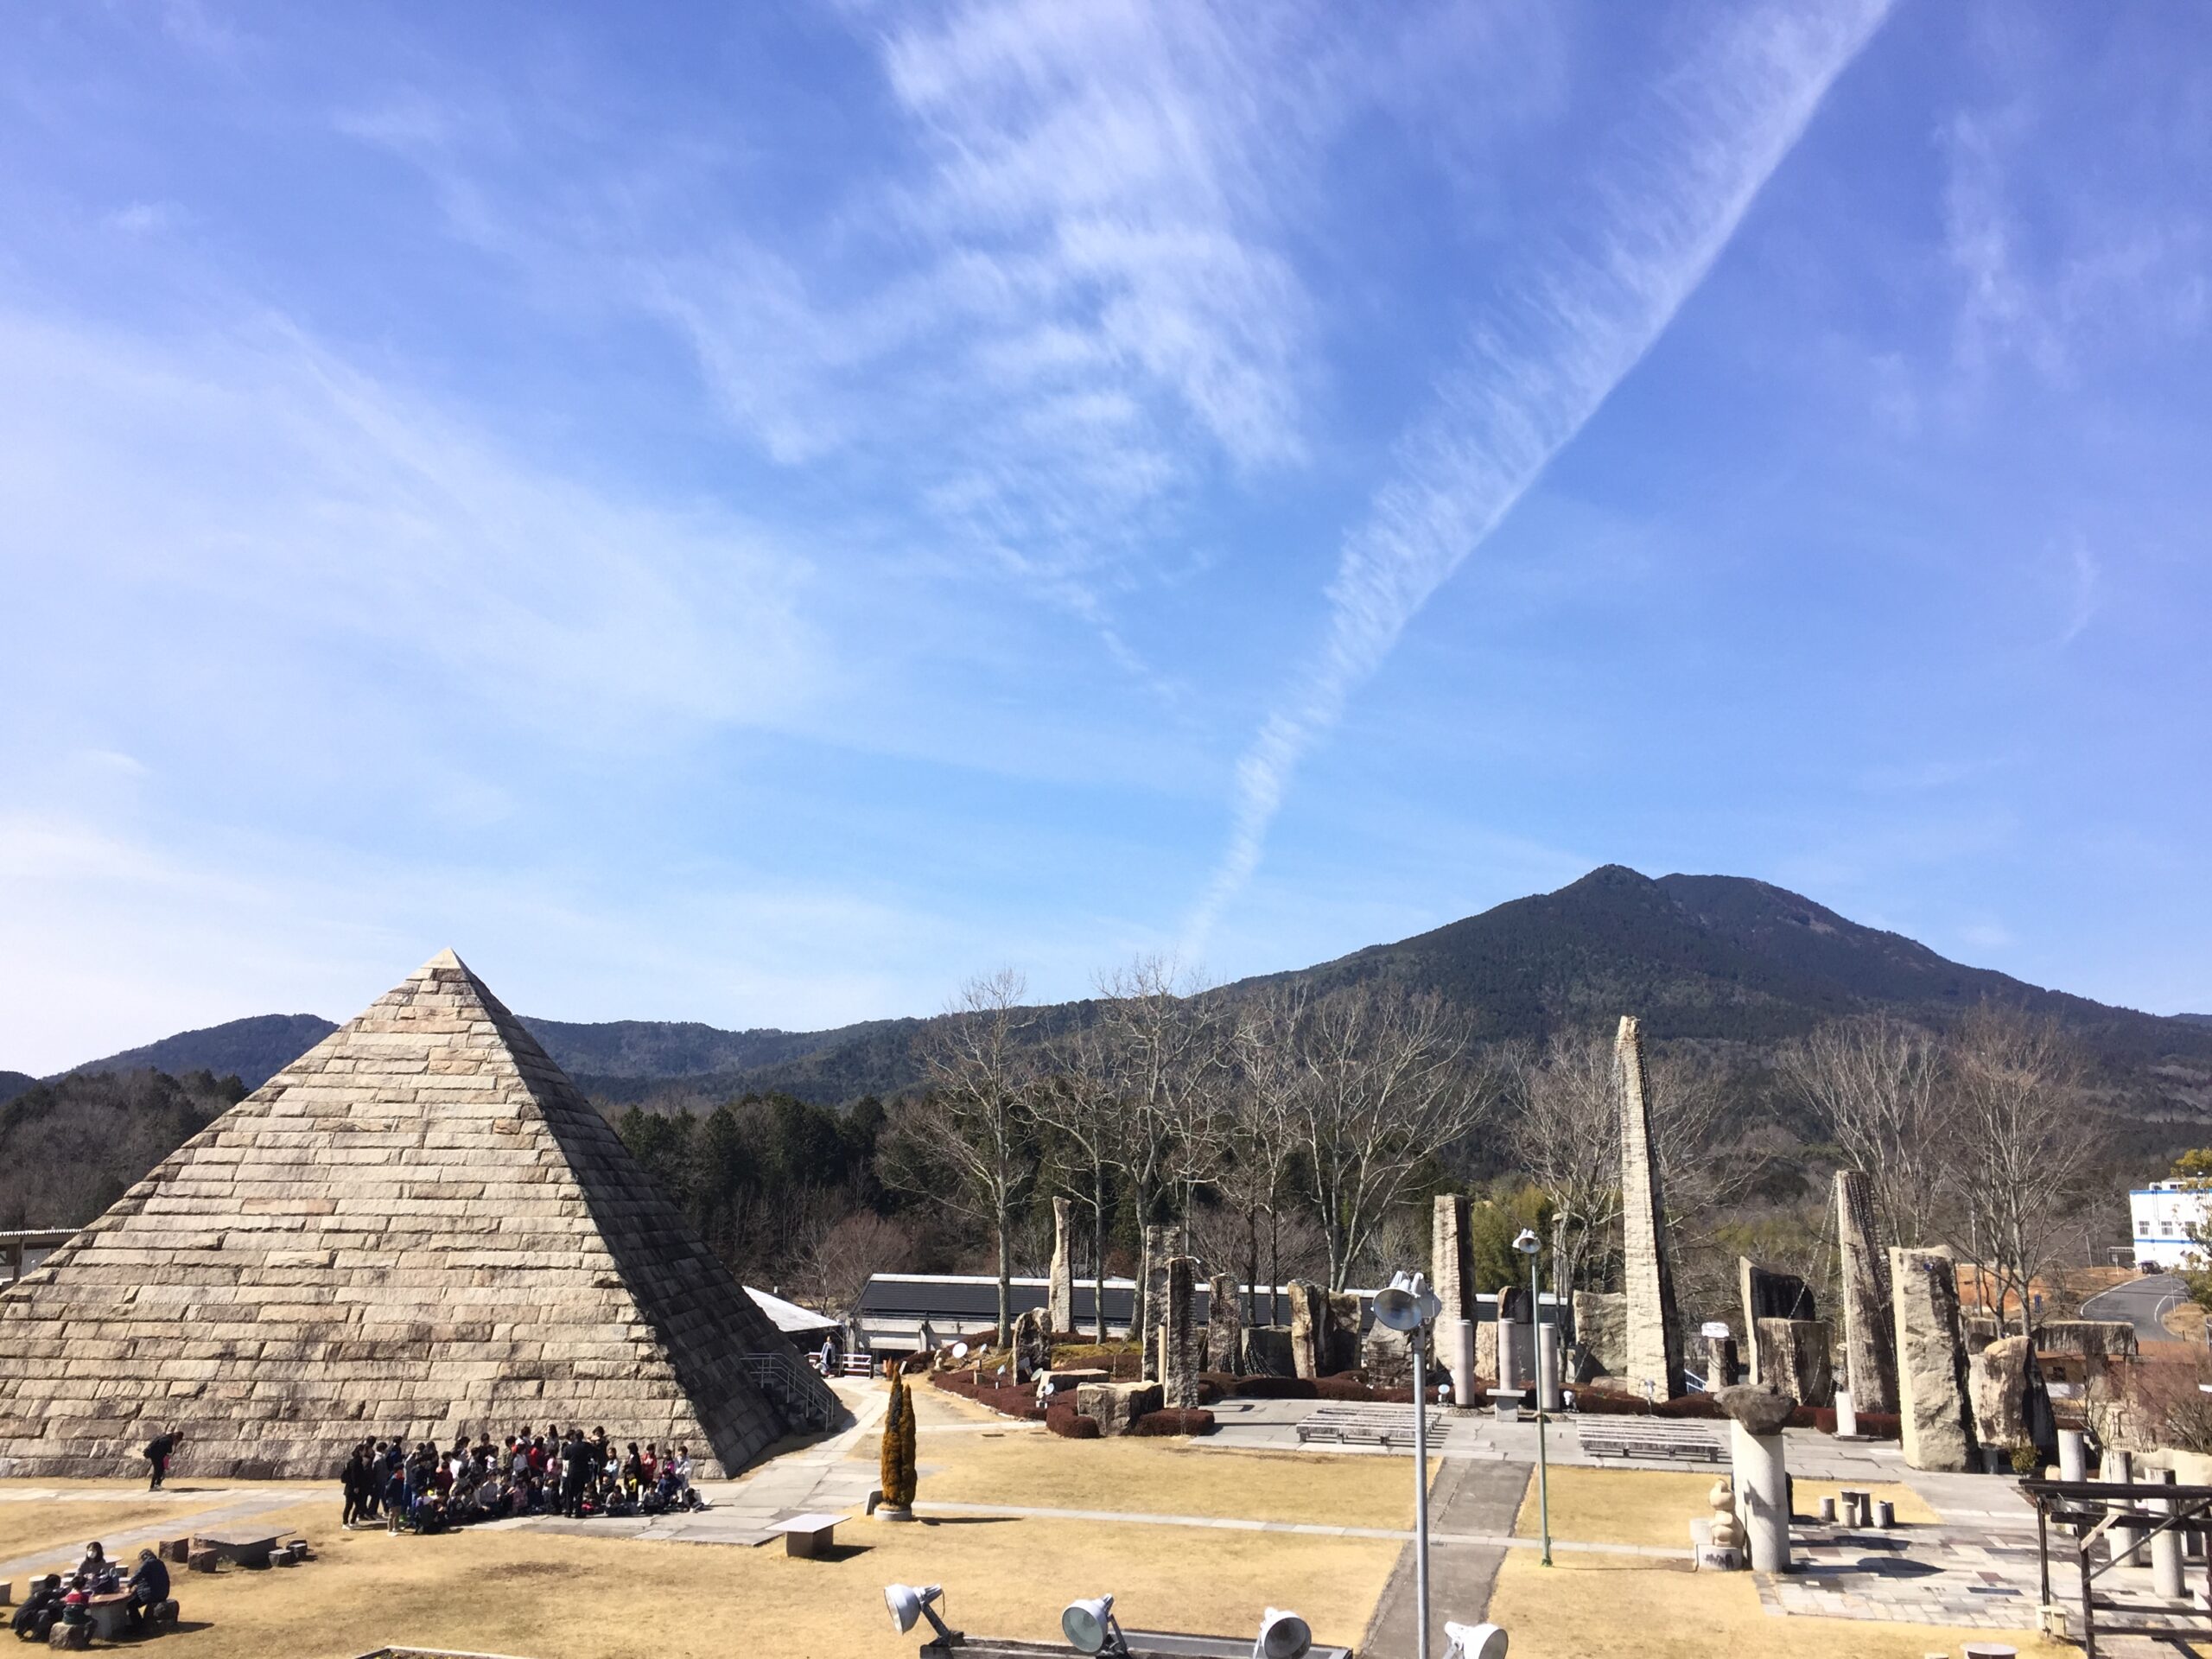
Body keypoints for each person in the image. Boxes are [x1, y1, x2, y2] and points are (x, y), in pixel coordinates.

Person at [125, 1549, 169, 1630]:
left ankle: (138, 1627)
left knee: (130, 1605)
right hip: (163, 1593)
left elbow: (138, 1575)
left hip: (150, 1594)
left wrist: (129, 1586)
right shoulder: (160, 1563)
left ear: (144, 1557)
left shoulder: (148, 1564)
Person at [11, 1574, 63, 1643]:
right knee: (46, 1613)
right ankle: (37, 1636)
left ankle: (21, 1630)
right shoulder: (47, 1592)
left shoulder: (40, 1592)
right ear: (56, 1584)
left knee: (42, 1610)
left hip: (19, 1615)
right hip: (25, 1616)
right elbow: (60, 1594)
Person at [143, 1427, 181, 1491]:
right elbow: (169, 1451)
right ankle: (152, 1486)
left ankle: (157, 1484)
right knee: (157, 1470)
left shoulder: (163, 1437)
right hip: (156, 1455)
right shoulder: (169, 1441)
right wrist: (173, 1450)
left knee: (161, 1469)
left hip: (155, 1455)